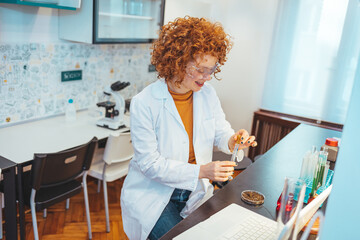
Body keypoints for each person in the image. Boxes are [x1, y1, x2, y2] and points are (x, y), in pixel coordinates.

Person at [120, 16, 257, 240]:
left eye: (212, 69)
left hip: (194, 191)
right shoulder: (144, 103)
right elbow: (149, 164)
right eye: (201, 69)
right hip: (154, 195)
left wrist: (234, 139)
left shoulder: (207, 94)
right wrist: (201, 171)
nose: (207, 77)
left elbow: (220, 131)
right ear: (177, 61)